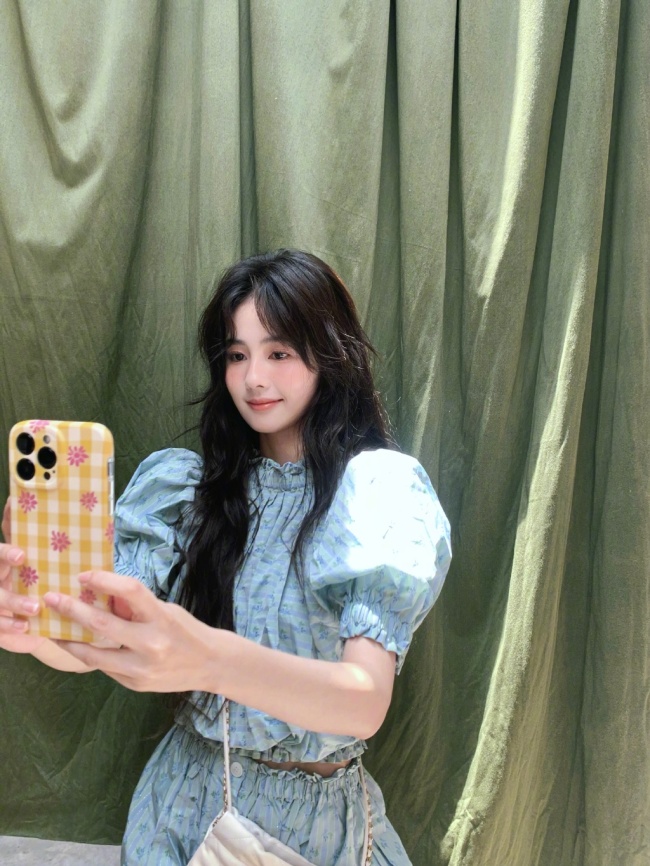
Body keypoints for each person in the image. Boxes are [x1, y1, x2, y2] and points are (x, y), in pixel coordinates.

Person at [0, 249, 451, 865]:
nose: (254, 378)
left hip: (313, 832)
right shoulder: (189, 489)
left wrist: (208, 659)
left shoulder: (375, 492)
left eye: (279, 353)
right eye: (237, 355)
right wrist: (33, 627)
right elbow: (103, 644)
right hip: (179, 810)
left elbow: (363, 701)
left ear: (329, 354)